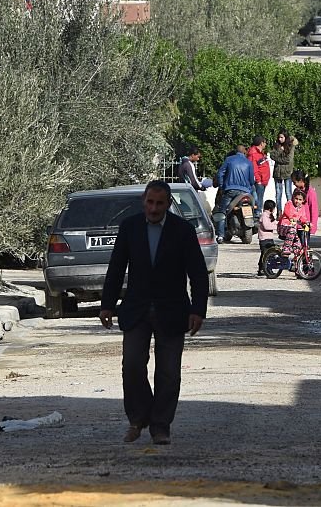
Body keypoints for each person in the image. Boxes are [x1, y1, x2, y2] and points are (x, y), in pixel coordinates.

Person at [99, 180, 209, 446]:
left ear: (168, 204)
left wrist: (198, 310)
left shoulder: (182, 231)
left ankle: (161, 426)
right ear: (143, 202)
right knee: (132, 366)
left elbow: (197, 272)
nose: (154, 208)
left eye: (160, 203)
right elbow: (116, 268)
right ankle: (138, 418)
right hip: (136, 309)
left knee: (168, 372)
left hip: (172, 310)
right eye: (150, 202)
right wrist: (107, 304)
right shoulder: (130, 228)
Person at [214, 146, 255, 243]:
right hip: (245, 192)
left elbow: (220, 174)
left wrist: (222, 186)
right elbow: (252, 180)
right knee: (254, 206)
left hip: (231, 191)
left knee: (222, 211)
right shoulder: (248, 162)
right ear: (244, 152)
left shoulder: (229, 160)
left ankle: (220, 235)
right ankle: (256, 215)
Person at [278, 188, 310, 264]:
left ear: (303, 200)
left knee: (298, 246)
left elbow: (303, 217)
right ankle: (286, 248)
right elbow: (287, 212)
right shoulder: (289, 203)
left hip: (293, 230)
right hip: (284, 227)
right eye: (296, 199)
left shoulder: (302, 207)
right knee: (292, 230)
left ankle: (297, 265)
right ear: (293, 197)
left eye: (300, 199)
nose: (297, 201)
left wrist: (305, 223)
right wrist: (291, 218)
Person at [270, 131, 297, 206]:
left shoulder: (291, 145)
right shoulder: (277, 145)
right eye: (279, 137)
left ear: (285, 137)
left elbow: (288, 160)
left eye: (282, 137)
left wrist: (277, 159)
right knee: (278, 194)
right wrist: (280, 150)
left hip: (287, 172)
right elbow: (272, 156)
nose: (280, 139)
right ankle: (279, 212)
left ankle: (291, 211)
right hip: (277, 172)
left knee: (288, 193)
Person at [289, 169, 319, 237]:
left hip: (305, 226)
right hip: (295, 225)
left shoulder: (310, 192)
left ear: (301, 180)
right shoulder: (296, 191)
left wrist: (313, 226)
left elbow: (314, 210)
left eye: (295, 182)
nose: (293, 184)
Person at [246, 135, 270, 214]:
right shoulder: (253, 153)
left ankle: (258, 214)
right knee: (258, 201)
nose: (265, 144)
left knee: (260, 199)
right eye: (265, 142)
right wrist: (258, 180)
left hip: (263, 181)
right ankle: (257, 216)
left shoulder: (260, 153)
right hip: (259, 182)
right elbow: (254, 168)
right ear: (261, 143)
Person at [256, 200, 277, 276]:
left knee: (270, 254)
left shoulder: (270, 216)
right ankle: (262, 268)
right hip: (264, 239)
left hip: (269, 238)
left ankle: (267, 268)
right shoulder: (264, 215)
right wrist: (275, 227)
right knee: (265, 254)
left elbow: (274, 223)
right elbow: (266, 226)